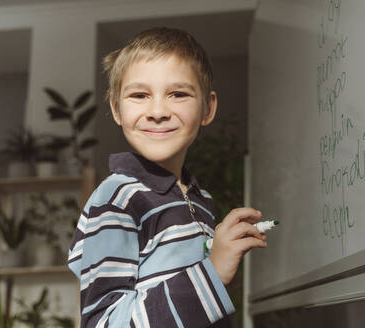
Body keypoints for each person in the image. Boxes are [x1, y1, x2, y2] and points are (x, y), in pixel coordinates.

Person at [67, 27, 267, 327]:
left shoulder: (202, 200)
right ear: (116, 108)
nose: (158, 111)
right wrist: (211, 274)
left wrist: (218, 267)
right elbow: (104, 323)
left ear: (207, 108)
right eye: (139, 95)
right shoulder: (117, 200)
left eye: (178, 94)